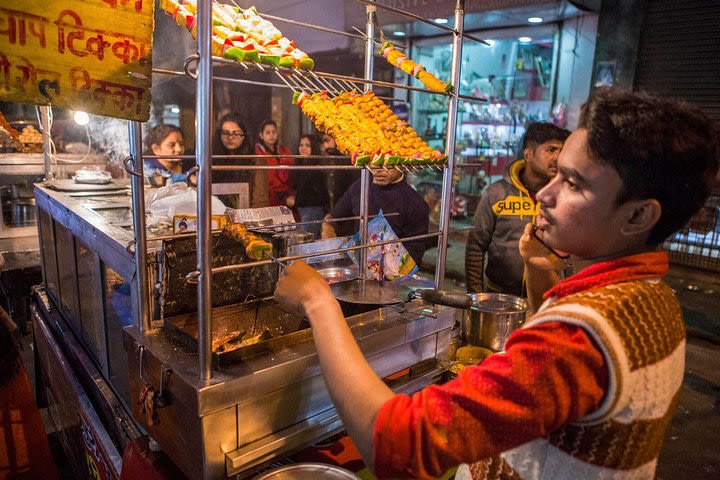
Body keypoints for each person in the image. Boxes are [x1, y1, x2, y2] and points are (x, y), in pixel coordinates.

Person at [274, 88, 720, 479]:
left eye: (573, 183)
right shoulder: (651, 297)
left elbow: (397, 445)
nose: (544, 194)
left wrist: (318, 301)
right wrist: (539, 270)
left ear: (640, 215)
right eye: (555, 171)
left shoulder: (578, 338)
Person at [465, 122, 570, 296]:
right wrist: (475, 296)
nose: (557, 158)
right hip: (499, 295)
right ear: (528, 154)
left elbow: (569, 252)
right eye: (550, 150)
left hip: (546, 296)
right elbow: (476, 246)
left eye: (561, 150)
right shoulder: (497, 193)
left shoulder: (562, 197)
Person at [322, 166, 429, 266]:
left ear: (401, 165)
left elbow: (415, 254)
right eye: (375, 164)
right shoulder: (360, 186)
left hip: (391, 275)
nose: (379, 170)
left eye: (388, 165)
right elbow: (332, 217)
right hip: (354, 265)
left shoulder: (415, 203)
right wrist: (328, 230)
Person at [212, 113, 269, 208]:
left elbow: (260, 202)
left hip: (245, 217)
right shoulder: (213, 160)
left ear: (244, 136)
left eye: (236, 133)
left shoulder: (256, 161)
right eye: (226, 133)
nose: (230, 137)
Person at [291, 134, 329, 239]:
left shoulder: (315, 169)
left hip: (312, 211)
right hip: (304, 211)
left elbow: (321, 196)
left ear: (313, 148)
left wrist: (297, 201)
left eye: (307, 145)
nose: (303, 148)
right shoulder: (301, 166)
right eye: (301, 145)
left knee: (308, 244)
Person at [254, 119, 294, 207]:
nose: (271, 135)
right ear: (261, 135)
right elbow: (268, 177)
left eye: (273, 132)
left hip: (288, 194)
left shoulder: (285, 151)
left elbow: (292, 173)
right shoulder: (257, 153)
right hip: (269, 195)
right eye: (268, 132)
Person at [322, 133, 360, 208]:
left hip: (349, 209)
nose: (325, 145)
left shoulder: (349, 161)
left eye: (327, 140)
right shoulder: (329, 162)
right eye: (323, 142)